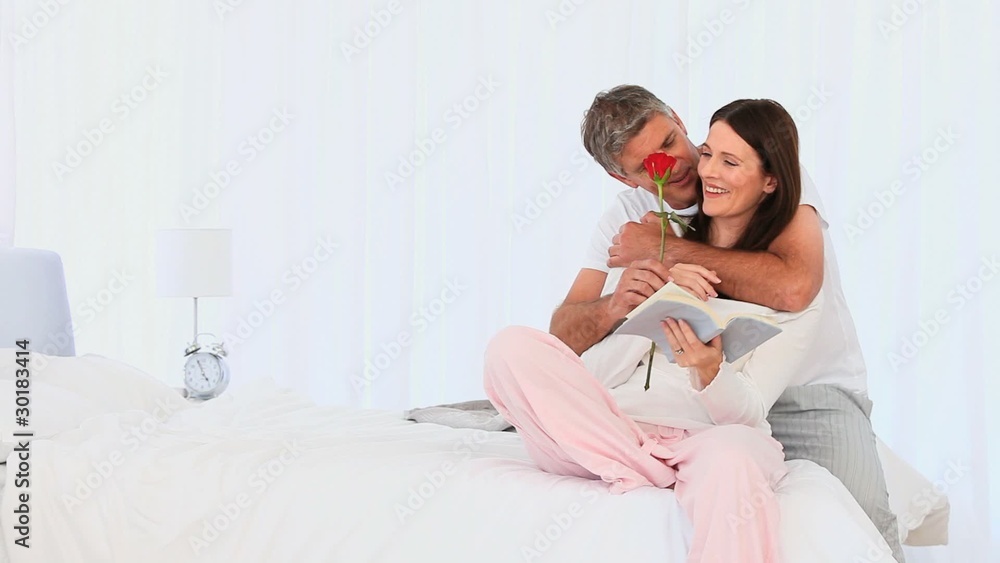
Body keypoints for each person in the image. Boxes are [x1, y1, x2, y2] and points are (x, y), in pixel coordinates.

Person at [484, 99, 891, 563]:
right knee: (512, 348)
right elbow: (567, 340)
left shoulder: (767, 173)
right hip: (639, 416)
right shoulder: (643, 219)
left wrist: (670, 259)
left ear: (679, 120)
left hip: (806, 391)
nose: (686, 167)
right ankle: (644, 462)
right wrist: (630, 304)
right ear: (623, 178)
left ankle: (626, 459)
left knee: (856, 517)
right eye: (646, 164)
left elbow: (794, 289)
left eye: (670, 142)